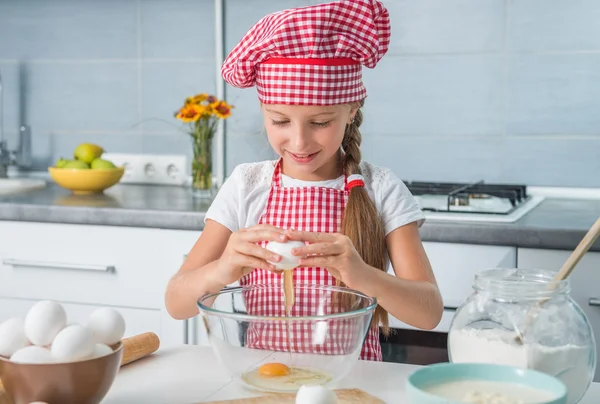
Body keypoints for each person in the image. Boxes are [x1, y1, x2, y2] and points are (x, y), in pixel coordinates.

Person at [165, 0, 443, 361]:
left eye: (320, 123)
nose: (298, 142)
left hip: (352, 384)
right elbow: (176, 303)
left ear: (352, 110)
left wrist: (361, 274)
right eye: (280, 121)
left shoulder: (381, 188)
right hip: (266, 382)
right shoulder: (246, 185)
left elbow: (429, 312)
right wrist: (225, 267)